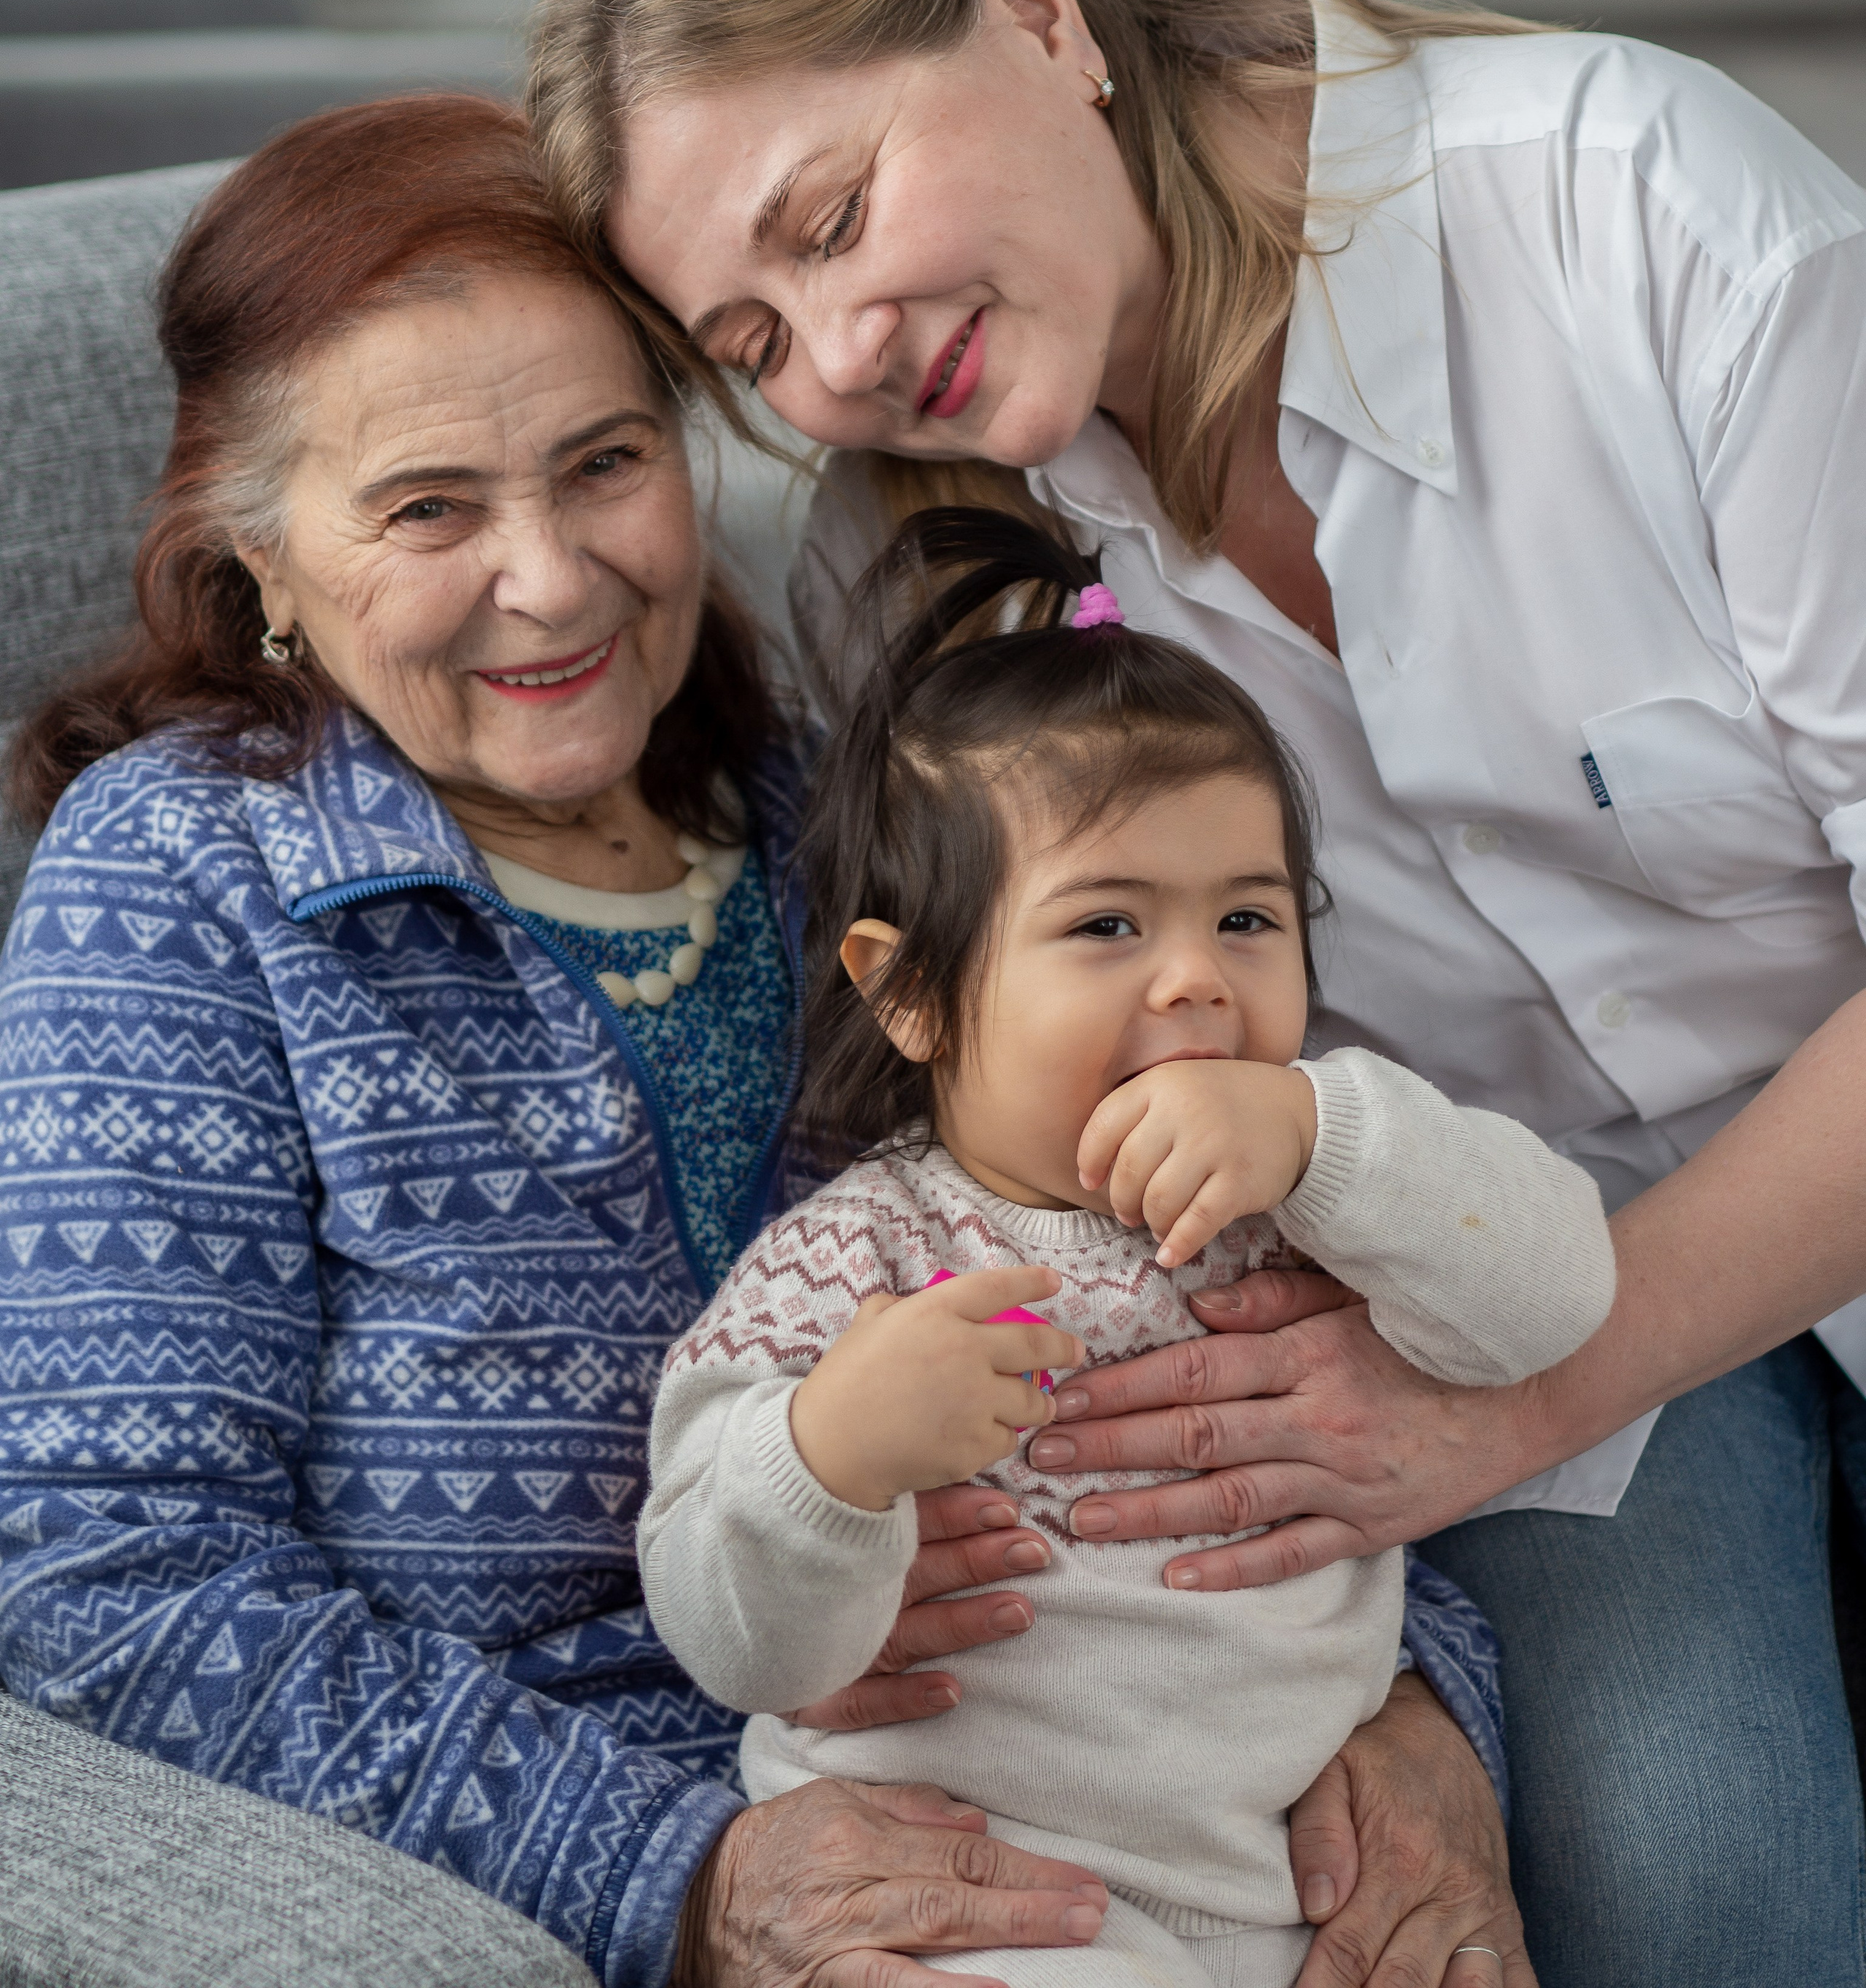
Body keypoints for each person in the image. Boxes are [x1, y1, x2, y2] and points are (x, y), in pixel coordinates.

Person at [528, 0, 1866, 1987]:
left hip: (1616, 1264)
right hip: (1470, 1236)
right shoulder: (919, 557)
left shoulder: (1634, 205)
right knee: (1686, 1881)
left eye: (837, 213)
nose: (842, 353)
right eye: (753, 336)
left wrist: (1510, 1404)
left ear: (1035, 9)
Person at [0, 93, 1155, 1988]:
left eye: (605, 462)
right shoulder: (185, 876)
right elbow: (112, 1578)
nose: (549, 577)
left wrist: (1395, 1713)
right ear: (260, 551)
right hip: (608, 1849)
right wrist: (689, 1870)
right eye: (429, 506)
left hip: (1101, 1761)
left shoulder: (846, 823)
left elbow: (1205, 1266)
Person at [641, 508, 1615, 1988]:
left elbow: (1553, 1300)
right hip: (984, 1898)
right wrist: (826, 1455)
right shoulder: (854, 1268)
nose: (1192, 983)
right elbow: (736, 1643)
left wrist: (1325, 1135)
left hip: (1295, 1885)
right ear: (907, 992)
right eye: (1105, 925)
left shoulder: (1324, 1195)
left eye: (1244, 918)